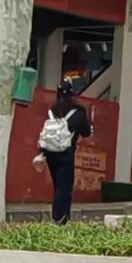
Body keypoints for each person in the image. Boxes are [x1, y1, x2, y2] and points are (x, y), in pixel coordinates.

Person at [36, 80, 91, 224]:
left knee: (58, 185)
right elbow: (86, 132)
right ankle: (60, 218)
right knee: (64, 187)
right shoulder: (78, 111)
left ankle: (60, 217)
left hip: (50, 153)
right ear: (72, 94)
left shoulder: (52, 110)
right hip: (66, 153)